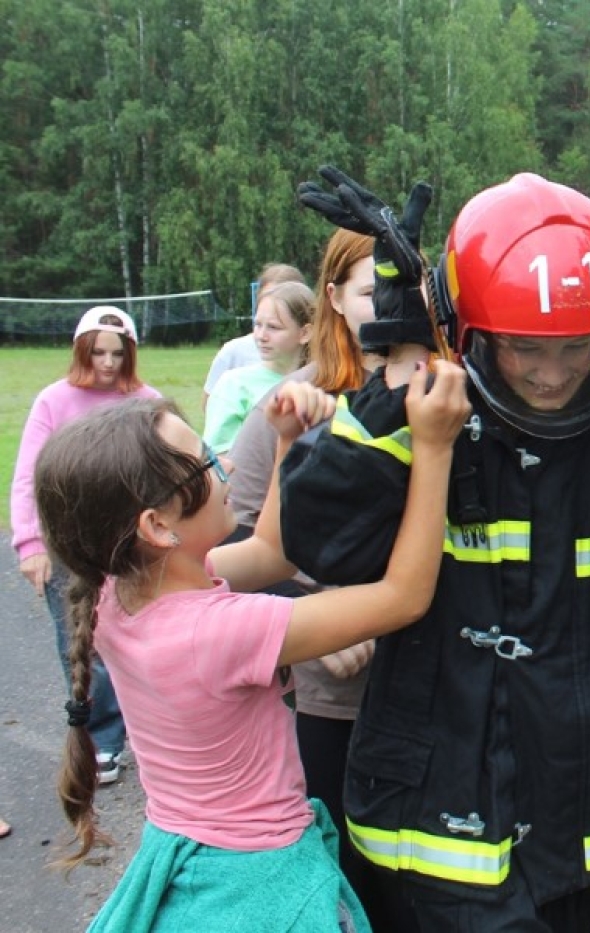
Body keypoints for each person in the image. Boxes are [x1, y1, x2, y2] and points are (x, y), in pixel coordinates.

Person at [282, 167, 590, 931]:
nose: (553, 374)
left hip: (572, 819)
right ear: (474, 332)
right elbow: (323, 539)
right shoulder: (432, 418)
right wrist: (395, 388)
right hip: (437, 815)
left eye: (577, 346)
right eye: (525, 348)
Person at [34, 368, 468, 930]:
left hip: (194, 853)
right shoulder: (218, 633)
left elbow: (271, 552)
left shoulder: (120, 592)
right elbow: (402, 596)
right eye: (208, 464)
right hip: (260, 872)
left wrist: (288, 440)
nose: (229, 466)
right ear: (158, 525)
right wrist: (434, 447)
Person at [226, 228, 408, 925]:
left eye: (405, 291)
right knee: (344, 889)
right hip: (336, 701)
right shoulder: (290, 407)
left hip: (442, 687)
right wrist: (317, 619)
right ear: (333, 297)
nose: (390, 308)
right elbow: (241, 547)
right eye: (371, 291)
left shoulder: (445, 403)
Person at [10, 307, 160, 786]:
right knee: (81, 641)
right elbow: (28, 475)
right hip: (69, 545)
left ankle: (151, 733)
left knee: (142, 637)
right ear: (81, 350)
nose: (108, 363)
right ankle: (103, 739)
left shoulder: (146, 401)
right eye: (98, 352)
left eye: (118, 353)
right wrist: (30, 542)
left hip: (129, 543)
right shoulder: (55, 401)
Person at [203, 280, 314, 454]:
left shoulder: (323, 381)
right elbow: (220, 459)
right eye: (257, 324)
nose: (261, 336)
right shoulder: (234, 385)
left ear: (305, 333)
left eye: (274, 327)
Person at [202, 263, 306, 411]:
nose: (274, 303)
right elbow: (210, 406)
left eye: (285, 297)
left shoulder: (321, 364)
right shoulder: (233, 354)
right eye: (269, 296)